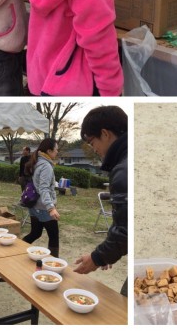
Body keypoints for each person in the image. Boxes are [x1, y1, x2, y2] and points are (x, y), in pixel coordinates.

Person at [73, 106, 128, 296]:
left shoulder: (122, 170)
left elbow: (124, 232)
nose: (93, 149)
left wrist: (97, 258)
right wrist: (110, 254)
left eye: (91, 142)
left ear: (105, 134)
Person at [22, 138, 60, 257]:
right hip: (43, 207)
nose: (57, 152)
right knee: (54, 236)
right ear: (49, 151)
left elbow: (38, 184)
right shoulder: (46, 166)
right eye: (56, 150)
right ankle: (54, 263)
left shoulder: (37, 161)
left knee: (35, 233)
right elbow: (43, 188)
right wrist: (51, 207)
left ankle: (17, 249)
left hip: (34, 204)